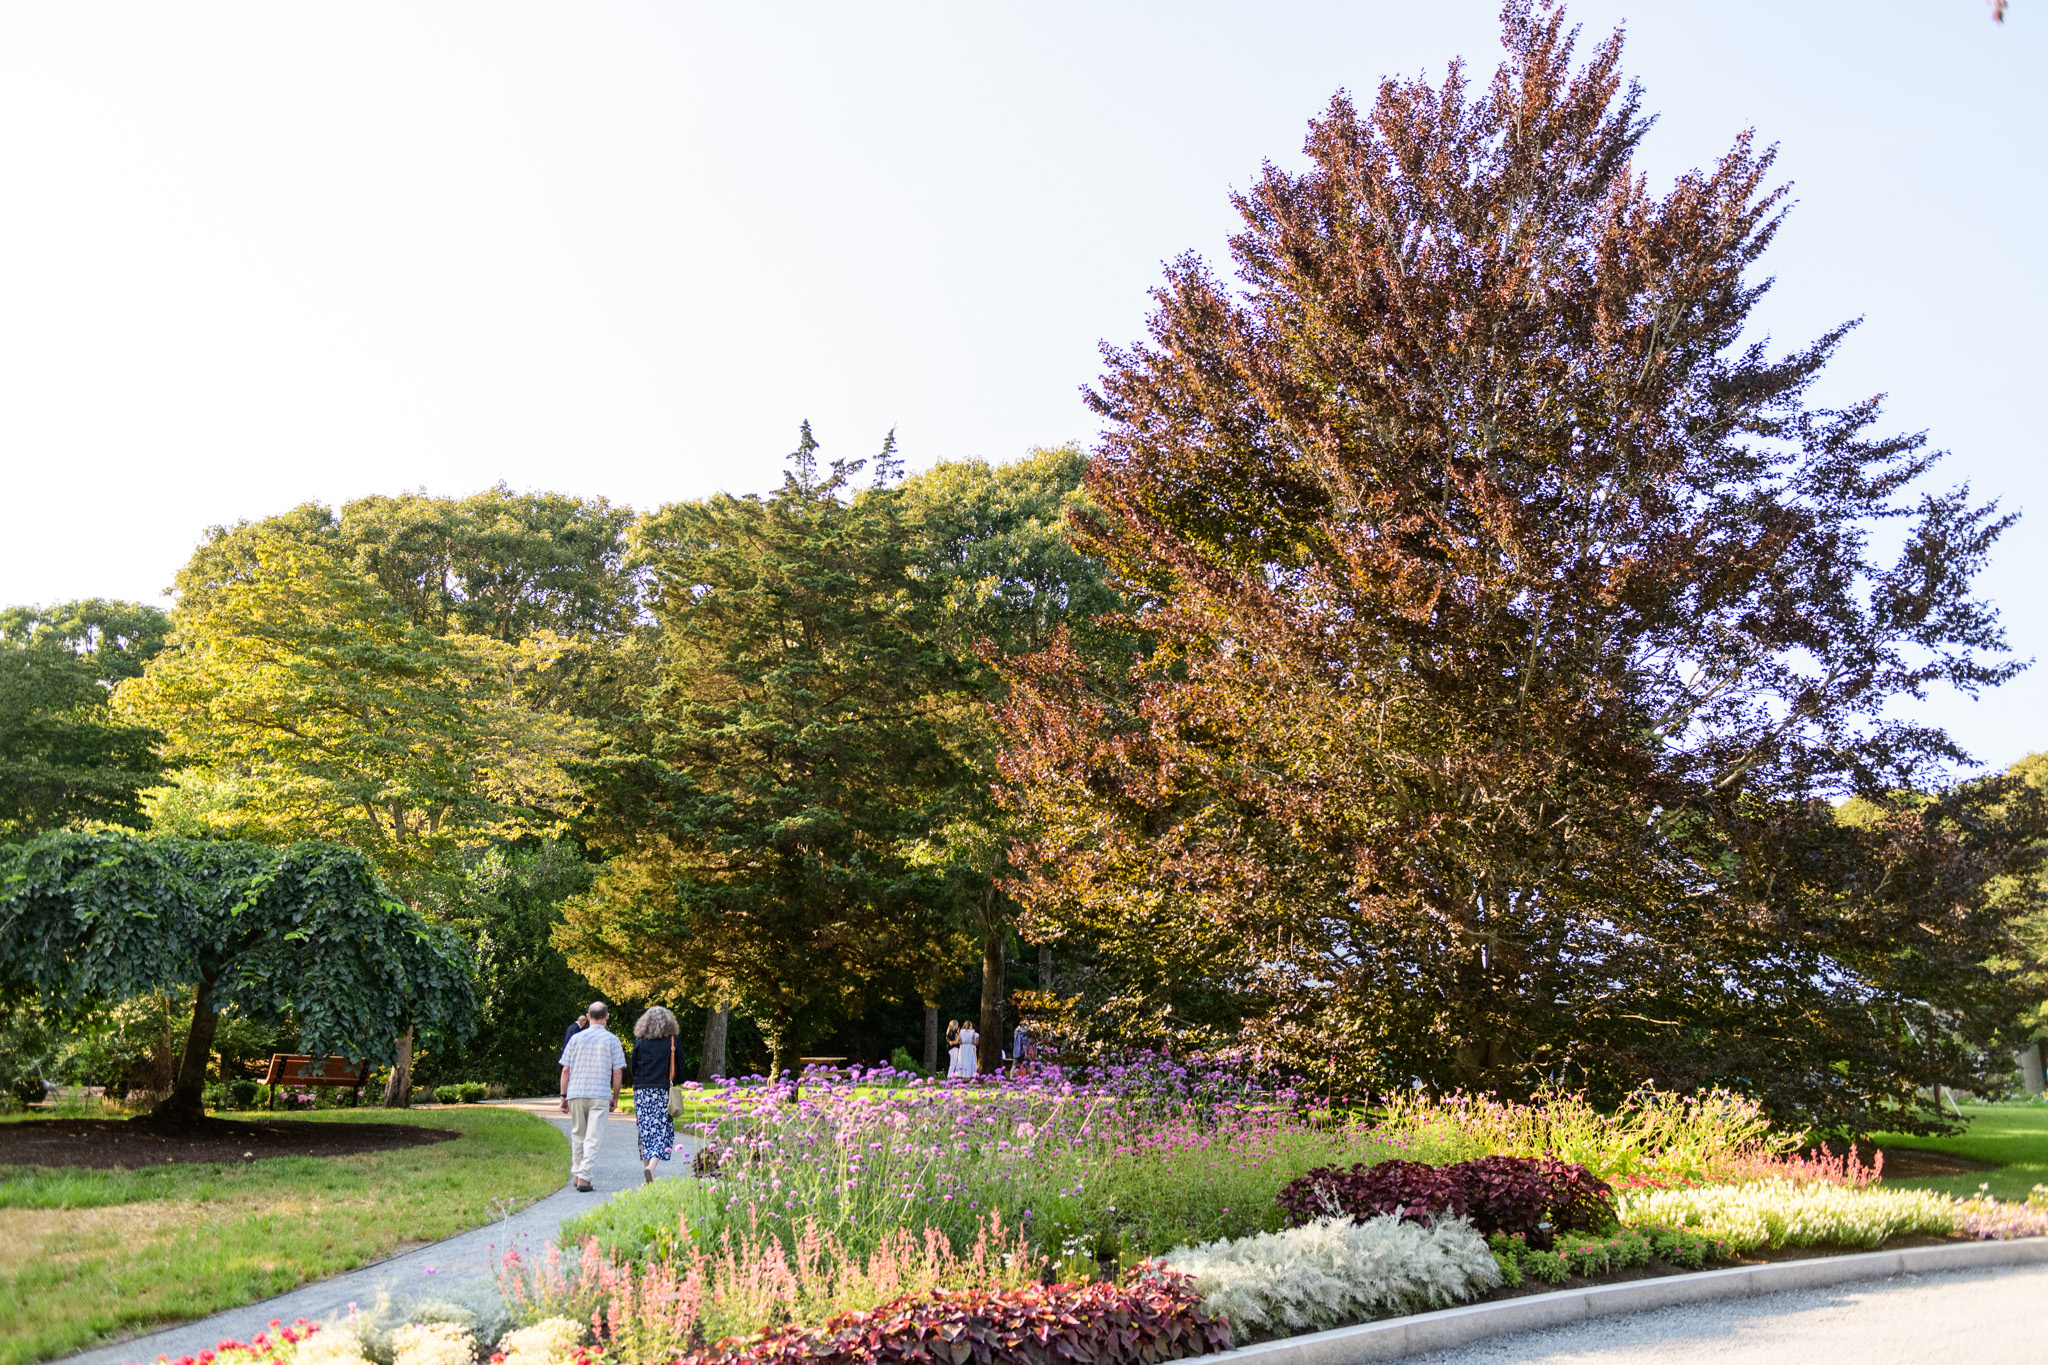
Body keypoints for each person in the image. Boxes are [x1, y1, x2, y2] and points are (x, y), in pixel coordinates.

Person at [558, 999, 626, 1192]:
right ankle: (584, 1176)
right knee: (593, 1136)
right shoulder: (612, 1040)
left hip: (577, 1092)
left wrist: (563, 1096)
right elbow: (618, 1072)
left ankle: (577, 1172)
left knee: (578, 1133)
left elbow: (565, 1070)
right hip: (599, 1094)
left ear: (588, 1017)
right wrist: (616, 1097)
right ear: (607, 1017)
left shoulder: (576, 1039)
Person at [630, 1005, 680, 1185]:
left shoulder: (640, 1041)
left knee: (645, 1130)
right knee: (662, 1130)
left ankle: (647, 1171)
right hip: (662, 1090)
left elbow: (633, 1066)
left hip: (642, 1090)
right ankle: (651, 1168)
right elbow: (680, 1066)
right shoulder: (672, 1040)